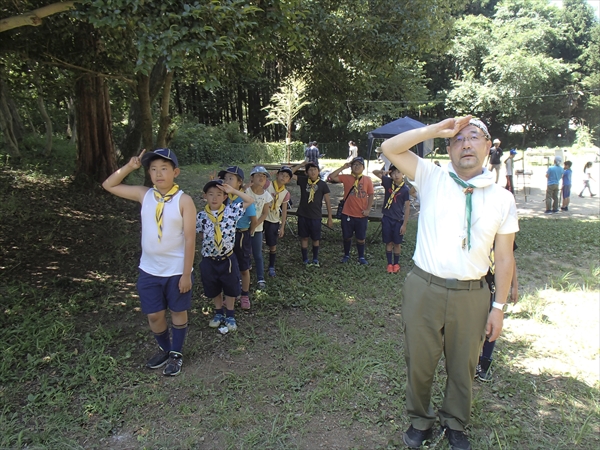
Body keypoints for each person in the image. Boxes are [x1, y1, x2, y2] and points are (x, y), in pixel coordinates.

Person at [382, 116, 518, 450]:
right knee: (420, 361)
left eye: (474, 137)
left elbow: (504, 258)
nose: (466, 144)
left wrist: (498, 307)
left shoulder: (502, 199)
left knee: (463, 364)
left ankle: (456, 422)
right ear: (448, 148)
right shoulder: (432, 176)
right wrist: (434, 130)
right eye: (458, 139)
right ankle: (420, 419)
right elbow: (389, 148)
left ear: (489, 146)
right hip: (424, 287)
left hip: (471, 294)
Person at [102, 148, 196, 376]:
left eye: (164, 168)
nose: (158, 174)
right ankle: (165, 349)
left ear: (176, 172)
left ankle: (177, 353)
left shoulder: (184, 201)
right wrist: (129, 167)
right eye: (153, 169)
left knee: (177, 311)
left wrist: (185, 274)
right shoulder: (144, 194)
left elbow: (191, 239)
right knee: (154, 314)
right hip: (149, 270)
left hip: (175, 270)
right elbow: (109, 185)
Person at [197, 179, 254, 333]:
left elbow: (250, 200)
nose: (214, 198)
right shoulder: (201, 216)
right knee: (213, 287)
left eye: (219, 194)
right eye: (210, 194)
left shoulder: (231, 211)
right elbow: (193, 232)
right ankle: (218, 313)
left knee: (230, 287)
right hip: (209, 259)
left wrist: (233, 191)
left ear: (224, 197)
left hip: (227, 258)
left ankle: (230, 314)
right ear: (205, 196)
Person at [476, 243, 519, 382]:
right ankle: (474, 362)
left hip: (493, 286)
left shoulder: (502, 229)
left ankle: (485, 362)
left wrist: (514, 286)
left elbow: (509, 259)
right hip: (474, 285)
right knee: (474, 327)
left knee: (491, 325)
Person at [219, 166, 257, 310]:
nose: (226, 181)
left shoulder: (243, 198)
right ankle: (231, 294)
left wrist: (249, 233)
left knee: (244, 267)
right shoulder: (225, 199)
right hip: (227, 236)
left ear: (239, 182)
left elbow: (254, 220)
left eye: (230, 178)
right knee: (229, 266)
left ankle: (245, 295)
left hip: (242, 235)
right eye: (225, 178)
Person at [328, 156, 375, 265]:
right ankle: (346, 255)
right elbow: (331, 177)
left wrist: (368, 209)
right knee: (347, 236)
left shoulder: (367, 179)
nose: (356, 166)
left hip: (361, 214)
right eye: (354, 164)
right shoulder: (347, 178)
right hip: (347, 213)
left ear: (363, 167)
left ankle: (361, 256)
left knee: (361, 238)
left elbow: (371, 194)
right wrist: (343, 167)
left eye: (359, 164)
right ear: (351, 166)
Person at [292, 161, 333, 265]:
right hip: (303, 214)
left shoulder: (322, 184)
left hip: (316, 216)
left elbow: (327, 201)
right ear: (306, 172)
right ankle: (305, 258)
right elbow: (290, 174)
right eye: (310, 170)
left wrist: (330, 217)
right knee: (304, 237)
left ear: (318, 171)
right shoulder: (303, 180)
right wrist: (300, 165)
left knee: (315, 238)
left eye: (315, 169)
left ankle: (315, 258)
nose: (313, 172)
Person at [372, 165, 411, 274]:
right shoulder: (388, 182)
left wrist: (404, 224)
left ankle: (396, 263)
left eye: (398, 172)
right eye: (393, 173)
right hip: (387, 218)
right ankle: (389, 263)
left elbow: (407, 207)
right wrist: (384, 172)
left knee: (397, 243)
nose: (396, 175)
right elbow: (374, 172)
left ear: (403, 173)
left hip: (398, 220)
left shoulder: (405, 189)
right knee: (388, 242)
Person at [246, 166, 273, 291]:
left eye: (264, 176)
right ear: (252, 178)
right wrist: (249, 226)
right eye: (258, 175)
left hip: (257, 229)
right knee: (244, 253)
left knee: (258, 253)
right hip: (244, 228)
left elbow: (264, 213)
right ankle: (242, 276)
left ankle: (260, 278)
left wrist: (254, 226)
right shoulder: (246, 192)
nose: (261, 178)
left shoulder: (267, 196)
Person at [264, 166, 293, 277]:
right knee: (254, 241)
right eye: (282, 175)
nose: (283, 177)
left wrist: (282, 226)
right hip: (261, 217)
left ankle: (271, 266)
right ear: (277, 175)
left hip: (274, 220)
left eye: (286, 176)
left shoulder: (286, 193)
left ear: (288, 180)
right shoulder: (267, 185)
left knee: (273, 244)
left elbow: (284, 211)